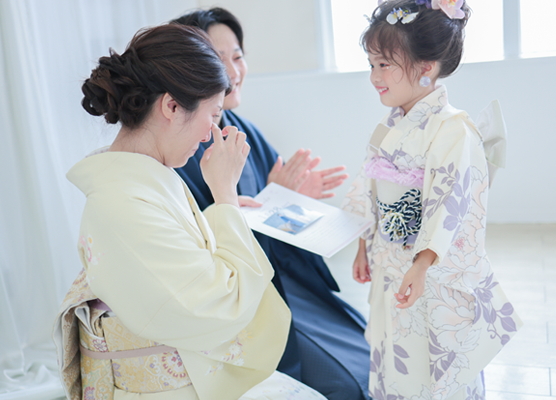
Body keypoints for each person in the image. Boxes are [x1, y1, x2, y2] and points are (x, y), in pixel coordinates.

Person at [53, 24, 326, 400]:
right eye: (213, 115)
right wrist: (225, 196)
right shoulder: (122, 202)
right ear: (171, 106)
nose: (211, 132)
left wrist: (227, 212)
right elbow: (219, 307)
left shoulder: (147, 176)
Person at [170, 9, 371, 400]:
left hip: (286, 280)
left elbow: (275, 217)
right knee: (349, 385)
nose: (233, 71)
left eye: (238, 56)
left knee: (377, 353)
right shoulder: (185, 149)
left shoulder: (243, 129)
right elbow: (203, 248)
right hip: (253, 300)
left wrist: (293, 199)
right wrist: (270, 201)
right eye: (218, 59)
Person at [342, 1, 523, 399]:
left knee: (434, 368)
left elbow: (453, 203)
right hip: (392, 266)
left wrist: (424, 262)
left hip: (431, 274)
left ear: (425, 67)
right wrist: (362, 244)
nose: (374, 77)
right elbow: (369, 185)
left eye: (384, 64)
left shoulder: (454, 129)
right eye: (371, 64)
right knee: (395, 358)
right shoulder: (389, 126)